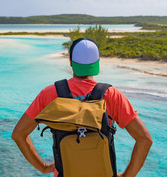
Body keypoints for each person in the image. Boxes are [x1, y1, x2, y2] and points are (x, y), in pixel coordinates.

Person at [12, 38, 153, 177]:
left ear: (70, 63)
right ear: (97, 62)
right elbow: (145, 139)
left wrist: (43, 167)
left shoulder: (50, 93)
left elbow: (19, 134)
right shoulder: (111, 94)